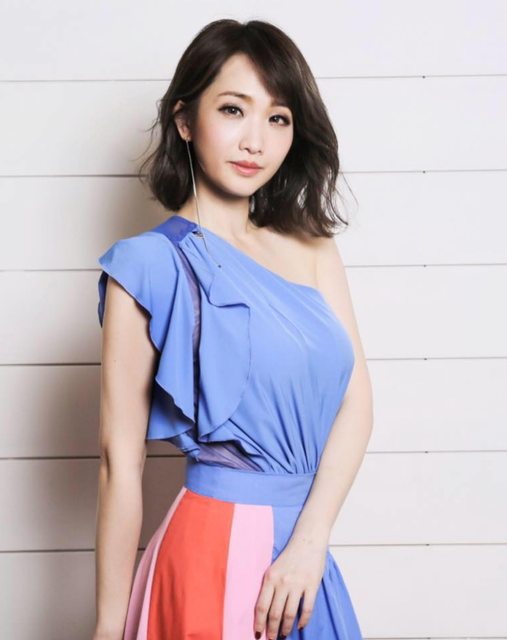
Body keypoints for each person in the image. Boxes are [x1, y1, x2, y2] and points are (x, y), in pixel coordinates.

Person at [93, 18, 373, 640]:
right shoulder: (147, 265)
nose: (255, 141)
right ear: (184, 120)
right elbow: (119, 463)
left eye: (278, 118)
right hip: (211, 551)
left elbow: (356, 403)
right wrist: (109, 626)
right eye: (232, 109)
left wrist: (311, 541)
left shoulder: (312, 247)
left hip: (305, 555)